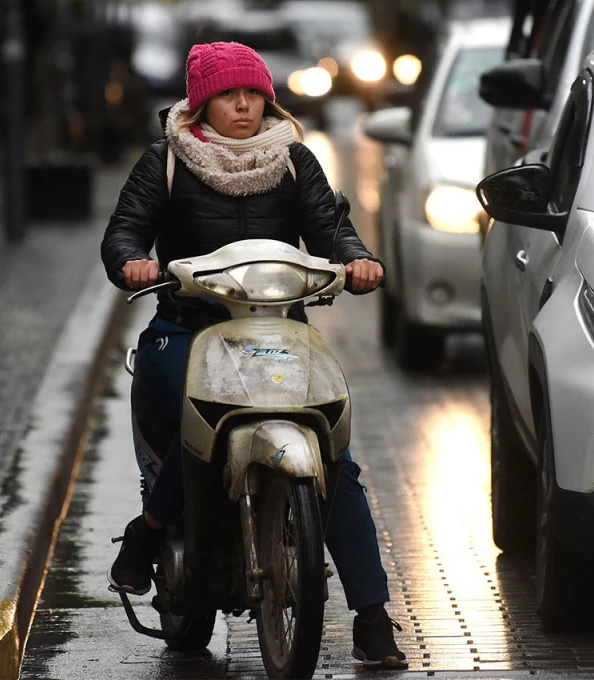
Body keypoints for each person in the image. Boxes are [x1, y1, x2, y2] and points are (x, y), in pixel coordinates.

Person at [100, 41, 406, 669]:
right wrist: (132, 262)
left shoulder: (294, 160)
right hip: (186, 326)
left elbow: (330, 225)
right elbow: (124, 229)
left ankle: (374, 618)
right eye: (227, 96)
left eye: (253, 95)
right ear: (200, 103)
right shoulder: (166, 159)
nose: (242, 106)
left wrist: (356, 258)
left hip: (274, 326)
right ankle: (151, 532)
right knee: (200, 421)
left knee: (335, 458)